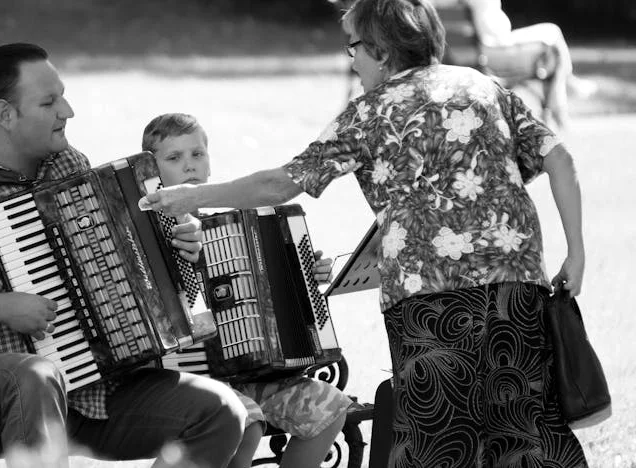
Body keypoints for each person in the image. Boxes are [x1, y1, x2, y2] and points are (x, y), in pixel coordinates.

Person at [141, 0, 589, 466]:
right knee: (526, 429)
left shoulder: (371, 112)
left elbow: (282, 183)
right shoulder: (484, 86)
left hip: (430, 297)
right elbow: (559, 157)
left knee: (439, 442)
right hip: (519, 284)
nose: (350, 59)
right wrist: (576, 253)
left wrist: (193, 197)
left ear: (381, 49)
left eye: (353, 46)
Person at [0, 43, 248, 468]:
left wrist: (183, 251)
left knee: (219, 412)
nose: (67, 111)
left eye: (63, 97)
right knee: (35, 375)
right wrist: (2, 307)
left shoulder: (69, 165)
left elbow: (126, 268)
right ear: (6, 115)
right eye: (49, 102)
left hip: (92, 393)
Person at [142, 113, 352, 468]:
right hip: (191, 376)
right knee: (245, 421)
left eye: (197, 155)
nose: (189, 166)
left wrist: (301, 275)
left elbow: (263, 299)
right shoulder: (151, 234)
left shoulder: (233, 224)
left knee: (330, 408)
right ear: (153, 174)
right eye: (174, 158)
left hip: (247, 373)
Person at [464, 0, 597, 130]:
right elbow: (492, 33)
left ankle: (566, 86)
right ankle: (563, 98)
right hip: (496, 50)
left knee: (552, 38)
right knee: (553, 36)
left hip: (488, 49)